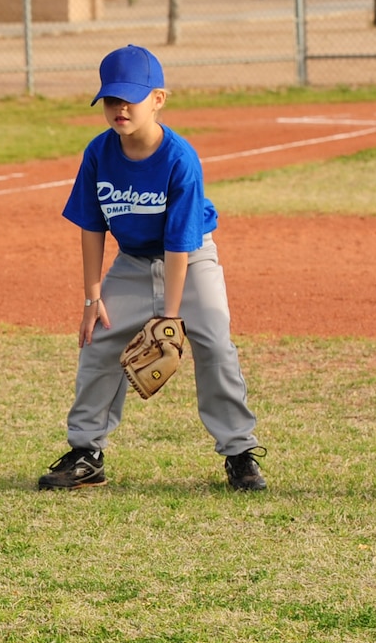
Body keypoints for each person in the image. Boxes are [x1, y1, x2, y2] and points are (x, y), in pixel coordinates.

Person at [38, 45, 265, 493]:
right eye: (111, 99)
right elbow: (91, 226)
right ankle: (87, 453)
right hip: (133, 261)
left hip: (191, 259)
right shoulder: (100, 153)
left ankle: (239, 452)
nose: (120, 108)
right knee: (99, 340)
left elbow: (180, 242)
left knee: (215, 342)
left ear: (158, 99)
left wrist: (170, 316)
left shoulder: (179, 158)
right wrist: (92, 298)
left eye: (131, 98)